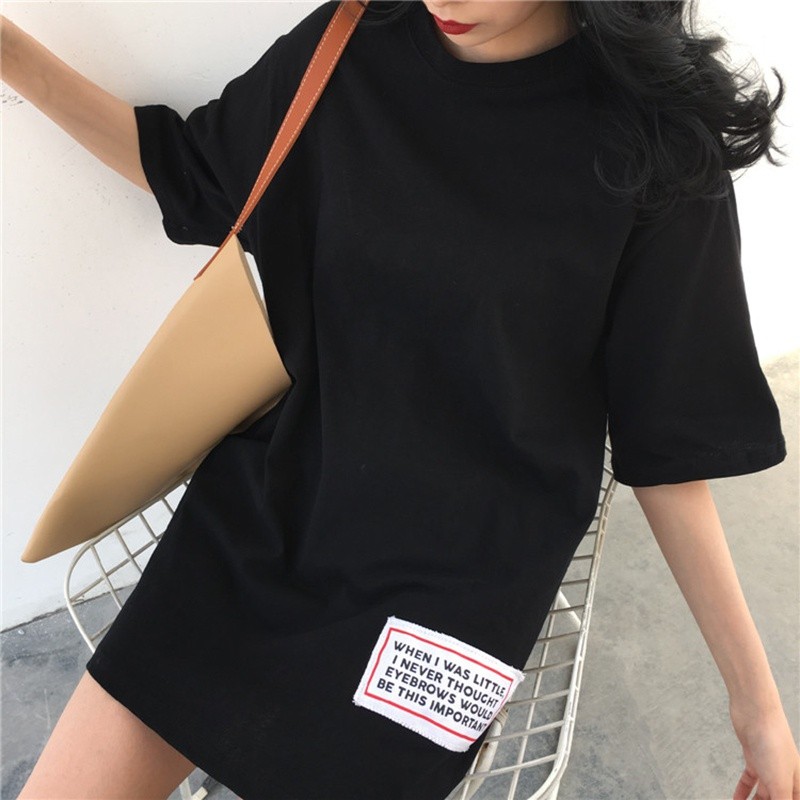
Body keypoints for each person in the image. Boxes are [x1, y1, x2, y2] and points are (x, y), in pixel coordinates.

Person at [3, 1, 798, 798]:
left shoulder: (657, 144)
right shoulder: (350, 42)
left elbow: (669, 447)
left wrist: (755, 703)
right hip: (271, 516)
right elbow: (194, 172)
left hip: (458, 587)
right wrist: (10, 52)